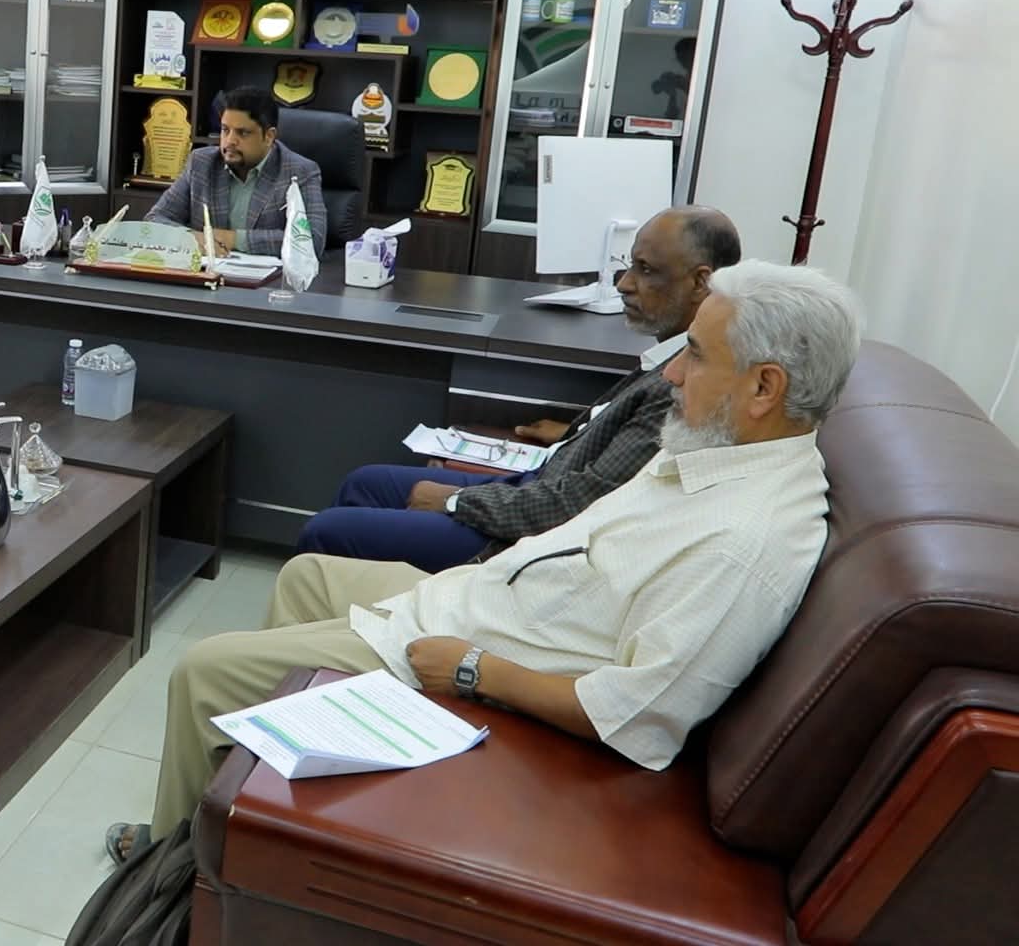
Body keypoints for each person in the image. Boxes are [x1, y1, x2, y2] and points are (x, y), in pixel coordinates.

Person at [107, 259, 862, 860]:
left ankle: (172, 872)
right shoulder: (718, 453)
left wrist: (473, 669)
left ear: (764, 387)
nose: (670, 374)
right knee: (309, 575)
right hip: (491, 602)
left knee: (204, 671)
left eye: (694, 355)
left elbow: (635, 716)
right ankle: (255, 813)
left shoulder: (743, 543)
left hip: (476, 664)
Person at [297, 207, 741, 572]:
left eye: (645, 271)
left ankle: (345, 631)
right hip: (538, 484)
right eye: (630, 265)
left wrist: (456, 502)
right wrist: (580, 431)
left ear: (700, 282)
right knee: (365, 483)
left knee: (328, 531)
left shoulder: (685, 382)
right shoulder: (671, 353)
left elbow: (582, 504)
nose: (625, 283)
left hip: (531, 539)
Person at [143, 87, 328, 259]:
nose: (230, 140)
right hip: (208, 275)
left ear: (269, 136)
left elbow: (312, 240)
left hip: (267, 281)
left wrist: (234, 239)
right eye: (225, 130)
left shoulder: (299, 171)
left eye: (243, 133)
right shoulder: (201, 163)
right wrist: (190, 237)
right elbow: (154, 220)